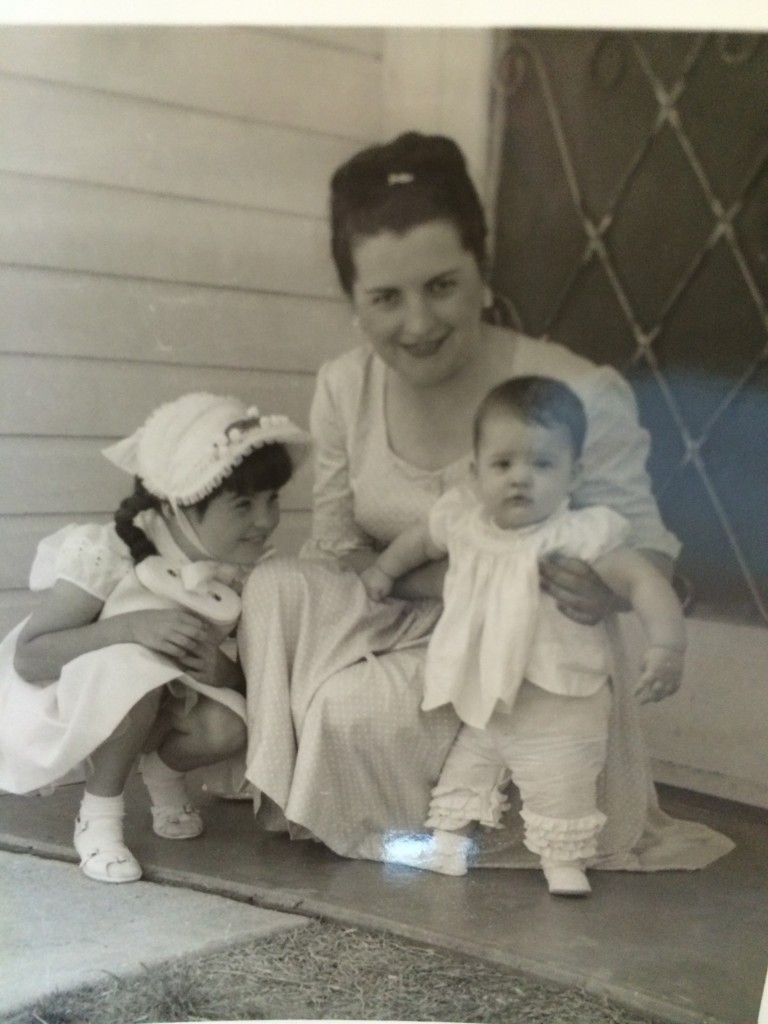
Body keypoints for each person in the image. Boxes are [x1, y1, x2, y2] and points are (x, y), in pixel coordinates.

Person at [238, 131, 733, 872]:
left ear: (482, 269)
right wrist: (474, 566)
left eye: (442, 285)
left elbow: (647, 546)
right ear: (352, 302)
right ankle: (305, 785)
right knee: (274, 585)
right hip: (391, 609)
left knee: (342, 710)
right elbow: (339, 550)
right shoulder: (346, 385)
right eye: (385, 298)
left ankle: (384, 794)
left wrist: (598, 585)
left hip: (520, 645)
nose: (418, 323)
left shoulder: (574, 389)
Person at [359, 376, 686, 894]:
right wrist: (381, 571)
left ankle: (564, 864)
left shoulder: (577, 534)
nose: (520, 479)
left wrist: (667, 645)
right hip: (487, 693)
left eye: (542, 465)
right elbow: (419, 542)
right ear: (476, 470)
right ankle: (447, 846)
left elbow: (641, 580)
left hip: (561, 696)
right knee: (466, 771)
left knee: (561, 783)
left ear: (573, 474)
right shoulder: (465, 523)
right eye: (503, 464)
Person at [0, 392, 310, 883]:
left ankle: (165, 775)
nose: (266, 520)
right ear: (178, 504)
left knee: (232, 724)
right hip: (72, 698)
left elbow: (251, 671)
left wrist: (222, 669)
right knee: (135, 665)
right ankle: (98, 817)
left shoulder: (241, 570)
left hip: (162, 706)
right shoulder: (111, 552)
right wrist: (128, 628)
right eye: (244, 505)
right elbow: (29, 658)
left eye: (272, 500)